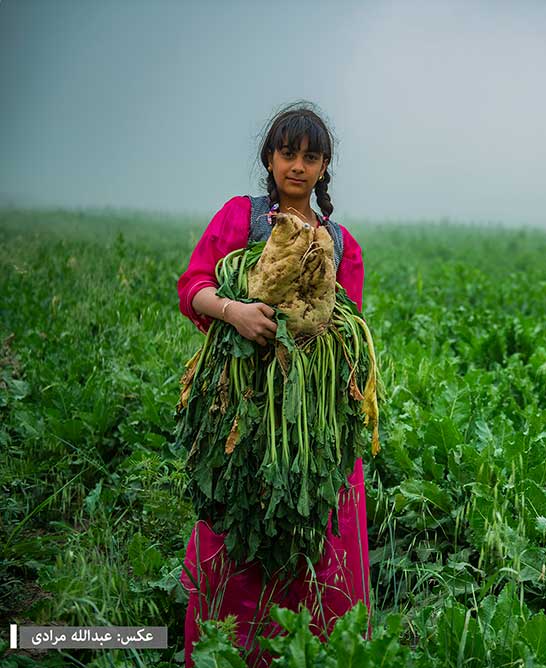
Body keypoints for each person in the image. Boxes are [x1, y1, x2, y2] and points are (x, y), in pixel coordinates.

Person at [175, 101, 372, 667]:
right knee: (238, 527)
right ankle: (228, 652)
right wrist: (234, 311)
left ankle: (311, 654)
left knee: (318, 529)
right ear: (270, 156)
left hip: (312, 419)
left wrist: (314, 347)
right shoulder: (241, 217)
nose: (298, 166)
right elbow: (193, 285)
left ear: (324, 166)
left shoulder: (340, 241)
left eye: (311, 157)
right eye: (288, 153)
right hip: (241, 406)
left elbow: (349, 323)